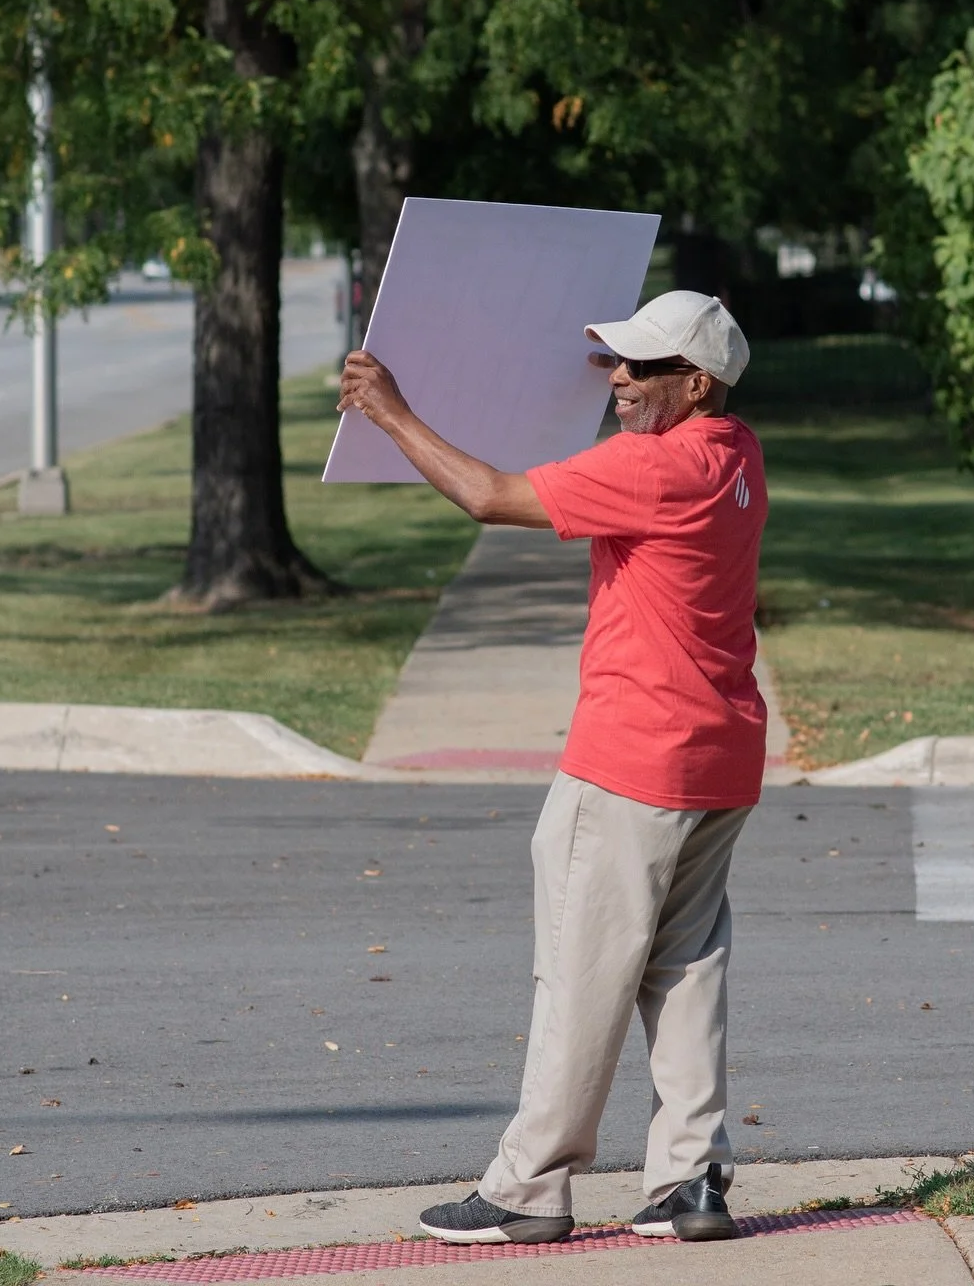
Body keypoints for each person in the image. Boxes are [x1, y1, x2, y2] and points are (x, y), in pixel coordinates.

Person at [337, 289, 768, 1246]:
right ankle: (691, 1182)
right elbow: (628, 422)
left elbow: (490, 497)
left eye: (643, 366)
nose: (619, 377)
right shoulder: (737, 456)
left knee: (582, 972)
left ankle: (529, 1187)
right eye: (616, 361)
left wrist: (393, 411)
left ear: (697, 383)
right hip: (721, 757)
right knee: (686, 968)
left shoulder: (651, 470)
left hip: (631, 758)